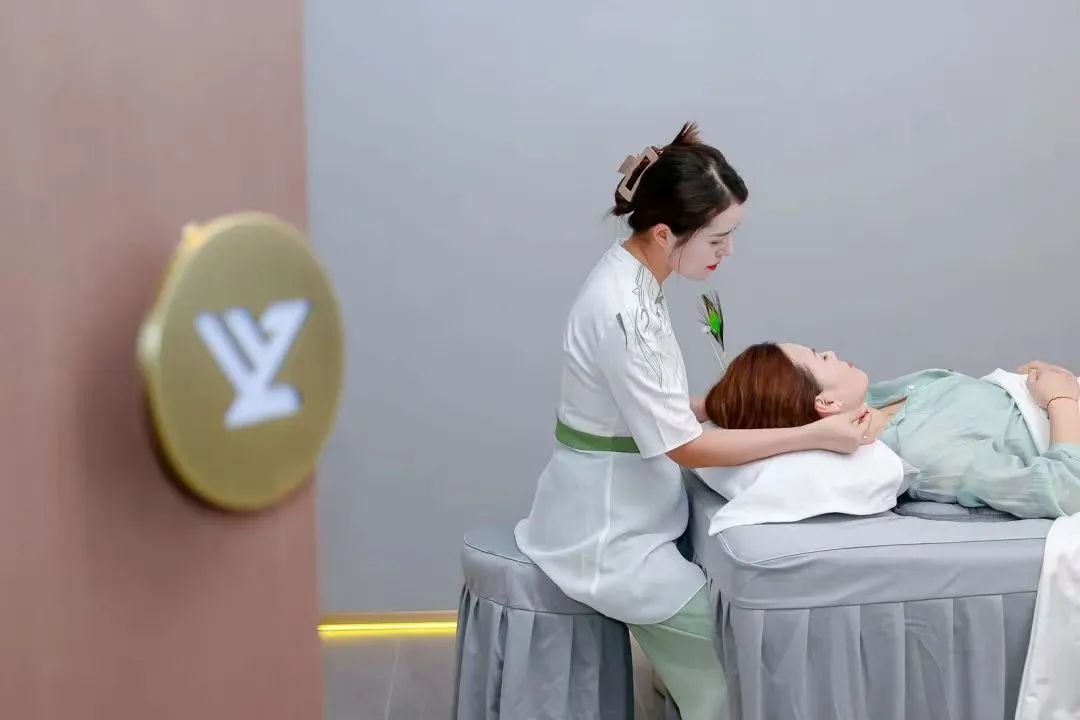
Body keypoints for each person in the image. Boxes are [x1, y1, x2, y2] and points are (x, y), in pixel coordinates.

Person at [514, 124, 871, 720]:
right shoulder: (624, 309)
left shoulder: (633, 279)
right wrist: (814, 434)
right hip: (608, 535)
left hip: (632, 508)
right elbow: (684, 446)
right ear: (664, 234)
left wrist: (721, 405)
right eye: (718, 239)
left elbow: (648, 402)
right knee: (732, 666)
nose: (726, 252)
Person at [704, 343, 1080, 518]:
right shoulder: (927, 452)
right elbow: (1065, 490)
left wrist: (1025, 383)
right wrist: (1061, 398)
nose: (831, 352)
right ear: (827, 403)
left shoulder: (881, 399)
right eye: (820, 357)